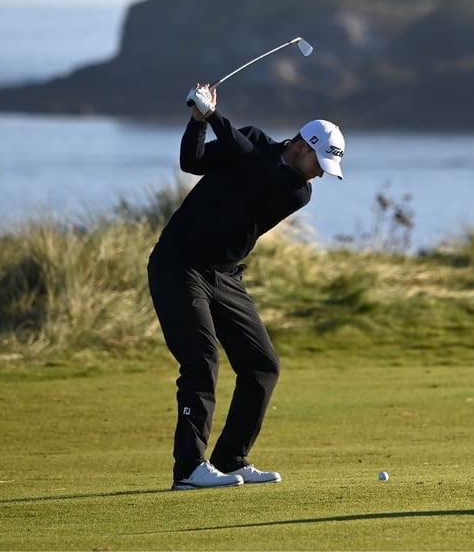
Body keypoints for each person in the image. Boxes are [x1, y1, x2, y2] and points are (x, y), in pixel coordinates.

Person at [147, 83, 344, 491]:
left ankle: (230, 458)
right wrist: (198, 123)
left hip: (224, 275)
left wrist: (215, 116)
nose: (320, 174)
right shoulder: (252, 141)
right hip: (178, 265)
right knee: (201, 361)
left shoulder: (297, 191)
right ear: (301, 146)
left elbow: (256, 167)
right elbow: (192, 160)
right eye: (319, 162)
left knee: (261, 366)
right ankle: (188, 469)